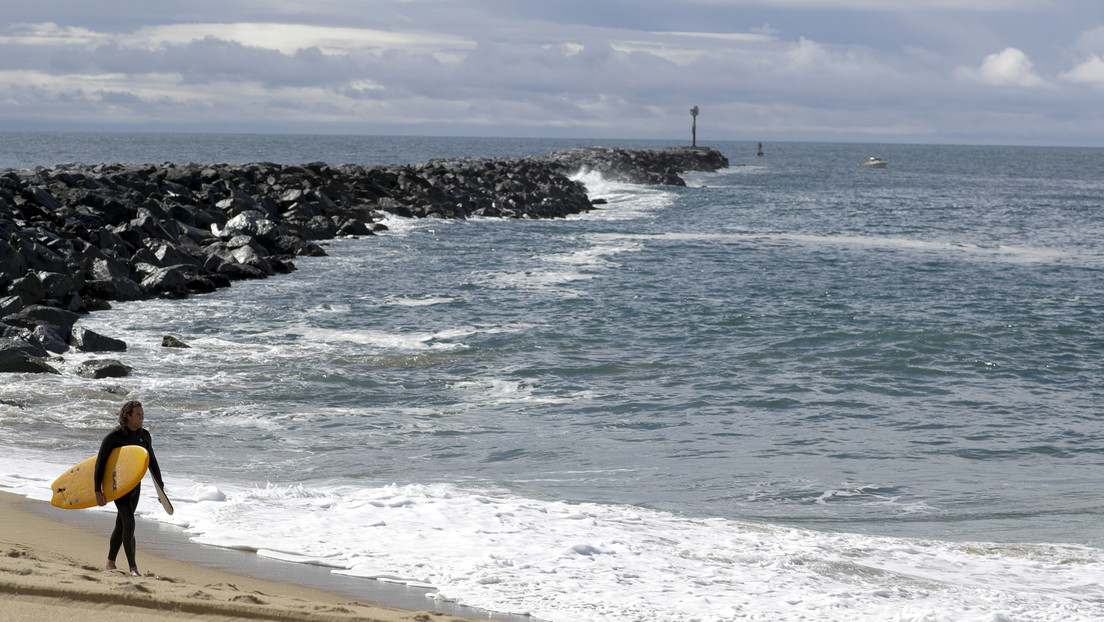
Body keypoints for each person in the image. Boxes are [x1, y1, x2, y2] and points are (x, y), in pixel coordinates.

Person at [94, 400, 164, 577]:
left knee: (121, 524)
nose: (142, 417)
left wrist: (160, 489)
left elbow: (152, 462)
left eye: (142, 414)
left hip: (135, 486)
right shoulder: (114, 437)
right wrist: (98, 489)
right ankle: (133, 568)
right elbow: (100, 463)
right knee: (129, 522)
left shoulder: (144, 436)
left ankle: (110, 562)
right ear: (127, 416)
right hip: (118, 487)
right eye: (138, 414)